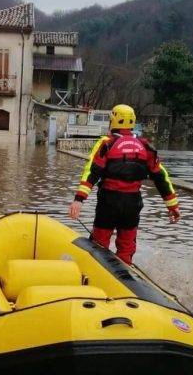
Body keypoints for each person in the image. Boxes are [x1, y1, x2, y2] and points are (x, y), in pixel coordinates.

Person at [68, 104, 180, 264]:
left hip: (109, 203)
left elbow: (91, 172)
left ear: (112, 122)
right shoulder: (145, 146)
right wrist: (172, 206)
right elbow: (161, 177)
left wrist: (78, 200)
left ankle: (97, 273)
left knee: (99, 243)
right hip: (132, 204)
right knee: (126, 246)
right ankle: (125, 272)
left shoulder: (106, 144)